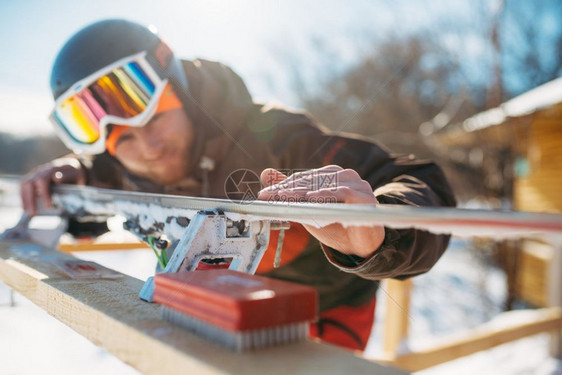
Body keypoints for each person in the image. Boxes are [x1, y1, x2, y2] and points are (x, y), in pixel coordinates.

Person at [20, 19, 456, 352]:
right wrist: (71, 179)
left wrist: (380, 232)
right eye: (126, 139)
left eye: (154, 118)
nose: (149, 149)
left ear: (182, 90)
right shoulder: (118, 168)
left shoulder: (276, 138)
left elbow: (420, 183)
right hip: (206, 311)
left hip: (319, 311)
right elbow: (96, 196)